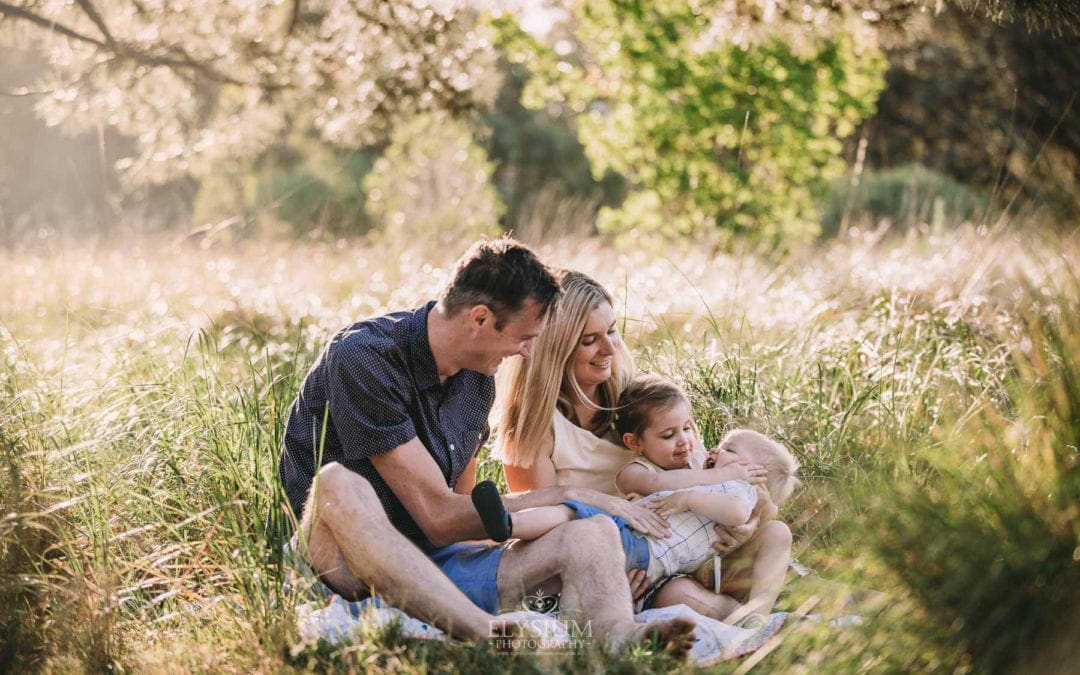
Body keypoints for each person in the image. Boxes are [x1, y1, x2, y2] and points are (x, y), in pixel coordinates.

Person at [278, 239, 694, 652]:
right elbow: (438, 517)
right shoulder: (365, 358)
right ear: (479, 318)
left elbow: (459, 516)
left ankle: (619, 636)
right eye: (524, 337)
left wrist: (548, 546)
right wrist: (568, 494)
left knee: (593, 532)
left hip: (433, 564)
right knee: (337, 483)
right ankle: (485, 633)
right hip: (341, 566)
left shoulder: (476, 380)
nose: (528, 352)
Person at [493, 270, 793, 618]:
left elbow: (714, 476)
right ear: (556, 347)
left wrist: (747, 526)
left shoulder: (637, 399)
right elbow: (547, 537)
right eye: (590, 340)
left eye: (612, 331)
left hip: (697, 547)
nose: (609, 348)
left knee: (777, 535)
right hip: (636, 565)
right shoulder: (536, 430)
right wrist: (606, 578)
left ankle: (771, 611)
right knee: (680, 597)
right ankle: (750, 621)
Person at [506, 375, 798, 628]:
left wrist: (751, 516)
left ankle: (761, 612)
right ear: (636, 443)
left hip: (718, 562)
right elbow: (660, 485)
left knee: (779, 532)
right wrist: (720, 475)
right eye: (669, 435)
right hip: (668, 572)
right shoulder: (639, 472)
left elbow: (768, 506)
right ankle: (738, 617)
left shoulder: (703, 462)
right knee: (678, 596)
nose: (685, 441)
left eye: (688, 428)